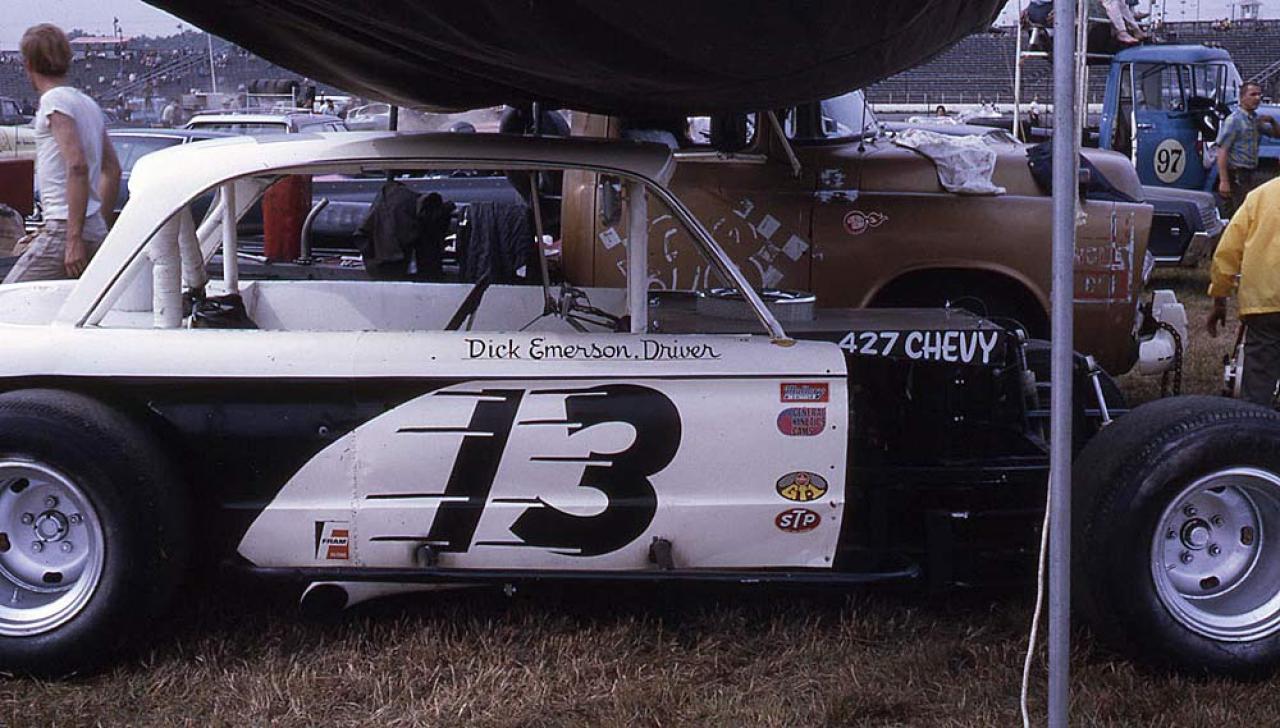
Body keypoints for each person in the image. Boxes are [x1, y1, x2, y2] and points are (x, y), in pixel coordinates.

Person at [2, 24, 121, 284]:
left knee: (8, 299)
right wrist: (95, 226)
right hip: (93, 227)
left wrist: (74, 237)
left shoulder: (53, 101)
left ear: (28, 64)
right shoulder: (87, 104)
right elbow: (112, 170)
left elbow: (77, 165)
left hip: (63, 227)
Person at [1207, 175, 1280, 406]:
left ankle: (1257, 423)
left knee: (1258, 382)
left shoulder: (1259, 197)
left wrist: (1220, 297)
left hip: (1264, 306)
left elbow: (1227, 252)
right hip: (1264, 305)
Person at [1216, 81, 1279, 217]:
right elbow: (1222, 150)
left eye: (1259, 95)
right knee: (1239, 212)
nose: (1257, 98)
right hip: (1236, 173)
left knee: (1252, 209)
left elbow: (1276, 135)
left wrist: (1272, 121)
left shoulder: (1255, 120)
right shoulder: (1234, 120)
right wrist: (1224, 181)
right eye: (1253, 94)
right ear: (1242, 97)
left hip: (1250, 172)